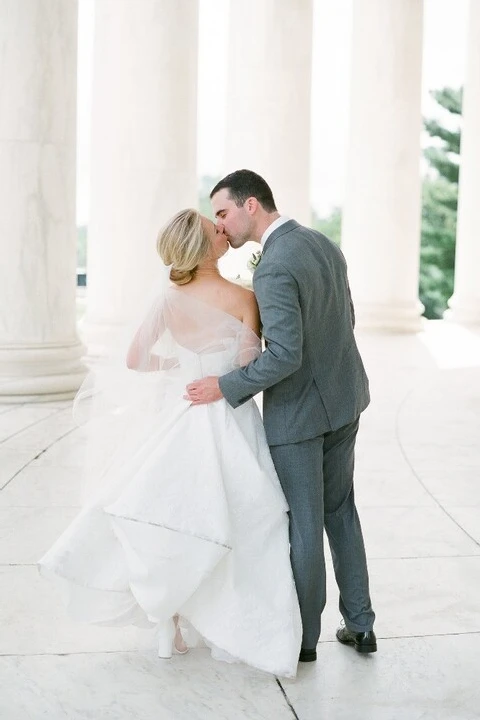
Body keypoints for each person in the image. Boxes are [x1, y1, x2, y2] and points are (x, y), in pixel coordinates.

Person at [38, 209, 302, 678]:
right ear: (202, 248)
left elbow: (136, 359)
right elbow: (247, 371)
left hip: (181, 412)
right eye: (214, 228)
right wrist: (215, 379)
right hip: (227, 418)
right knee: (241, 515)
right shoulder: (243, 297)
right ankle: (226, 625)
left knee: (174, 514)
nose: (222, 230)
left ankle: (171, 622)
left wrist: (182, 372)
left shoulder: (167, 297)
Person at [186, 170, 376, 661]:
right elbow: (345, 320)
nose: (220, 226)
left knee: (305, 523)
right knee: (341, 512)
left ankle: (305, 640)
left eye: (223, 212)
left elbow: (285, 354)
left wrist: (224, 385)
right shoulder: (322, 244)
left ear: (252, 205)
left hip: (300, 416)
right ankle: (361, 623)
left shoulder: (272, 266)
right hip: (346, 398)